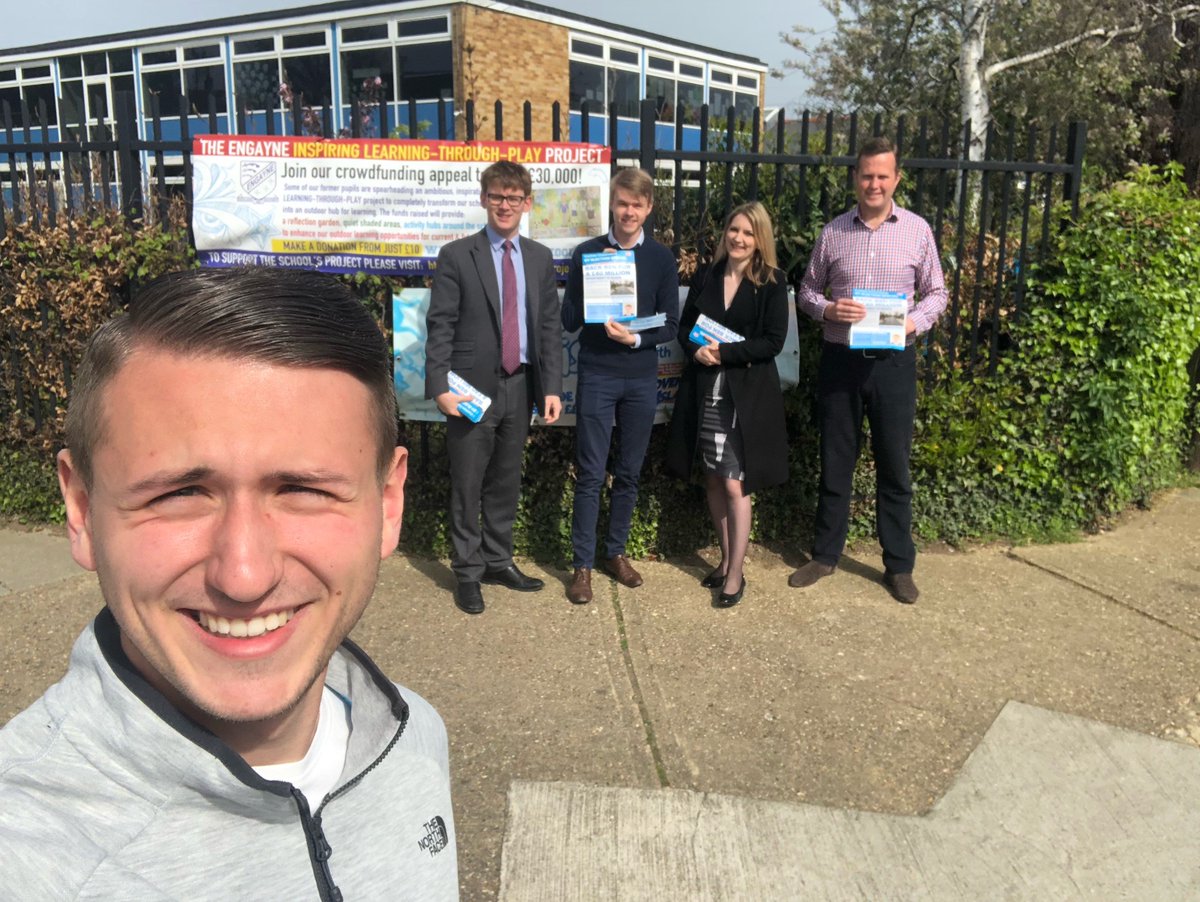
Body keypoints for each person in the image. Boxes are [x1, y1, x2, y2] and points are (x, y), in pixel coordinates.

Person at [0, 268, 458, 899]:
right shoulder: (23, 856)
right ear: (81, 510)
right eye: (179, 494)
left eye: (303, 489)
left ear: (387, 504)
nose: (244, 577)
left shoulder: (416, 738)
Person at [793, 136, 948, 604]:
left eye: (882, 176)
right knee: (835, 461)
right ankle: (825, 555)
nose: (874, 184)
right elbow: (806, 291)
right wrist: (827, 310)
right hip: (841, 361)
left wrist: (913, 323)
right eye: (867, 175)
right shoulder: (833, 232)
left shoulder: (917, 231)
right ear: (855, 178)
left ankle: (898, 565)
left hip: (893, 365)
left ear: (896, 179)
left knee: (894, 466)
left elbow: (937, 293)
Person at [425, 161, 563, 615]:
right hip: (469, 390)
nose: (505, 205)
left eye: (514, 197)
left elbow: (548, 327)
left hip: (520, 386)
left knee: (505, 480)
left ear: (527, 203)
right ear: (484, 199)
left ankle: (498, 560)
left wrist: (551, 387)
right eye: (497, 196)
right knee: (468, 484)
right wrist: (439, 386)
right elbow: (440, 325)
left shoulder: (539, 258)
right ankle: (468, 571)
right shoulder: (457, 255)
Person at [561, 168, 679, 604]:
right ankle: (582, 566)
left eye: (637, 205)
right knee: (591, 472)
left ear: (648, 209)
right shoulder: (588, 253)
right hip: (598, 372)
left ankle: (615, 552)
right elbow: (568, 321)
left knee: (628, 471)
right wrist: (588, 291)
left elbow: (670, 324)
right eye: (622, 203)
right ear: (612, 204)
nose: (629, 212)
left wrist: (636, 339)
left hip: (641, 376)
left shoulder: (661, 259)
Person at [667, 202, 790, 607]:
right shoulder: (707, 273)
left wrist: (723, 353)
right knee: (713, 477)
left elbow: (772, 342)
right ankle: (723, 560)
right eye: (734, 230)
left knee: (736, 482)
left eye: (748, 233)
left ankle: (736, 573)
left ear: (760, 239)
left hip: (745, 396)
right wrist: (695, 350)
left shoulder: (772, 281)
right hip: (704, 390)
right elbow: (686, 327)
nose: (739, 238)